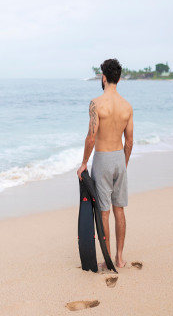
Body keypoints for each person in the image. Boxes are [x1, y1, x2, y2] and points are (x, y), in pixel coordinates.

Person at [77, 58, 133, 268]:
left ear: (104, 77)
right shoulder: (127, 106)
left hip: (102, 159)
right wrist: (123, 164)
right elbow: (129, 142)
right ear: (118, 79)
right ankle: (119, 258)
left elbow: (91, 137)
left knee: (104, 211)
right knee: (120, 209)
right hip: (120, 158)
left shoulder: (96, 104)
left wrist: (84, 163)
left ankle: (107, 258)